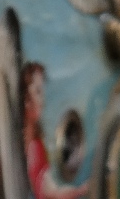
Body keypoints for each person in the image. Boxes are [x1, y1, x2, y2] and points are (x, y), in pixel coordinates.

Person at [21, 62, 89, 199]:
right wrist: (83, 190)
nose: (42, 101)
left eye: (42, 92)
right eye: (38, 91)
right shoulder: (34, 147)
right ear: (25, 99)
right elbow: (52, 193)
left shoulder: (30, 141)